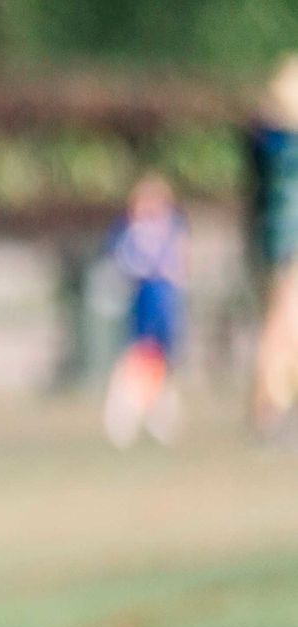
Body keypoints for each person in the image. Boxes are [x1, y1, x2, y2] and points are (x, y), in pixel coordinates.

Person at [103, 172, 190, 447]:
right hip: (143, 302)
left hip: (166, 304)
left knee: (164, 362)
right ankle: (129, 417)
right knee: (139, 359)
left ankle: (159, 417)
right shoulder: (129, 231)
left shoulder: (173, 227)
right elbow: (122, 262)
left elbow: (181, 262)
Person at [247, 56, 298, 437]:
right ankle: (271, 409)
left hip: (275, 239)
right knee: (284, 325)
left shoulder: (269, 141)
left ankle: (273, 406)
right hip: (288, 241)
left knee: (281, 324)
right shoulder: (283, 146)